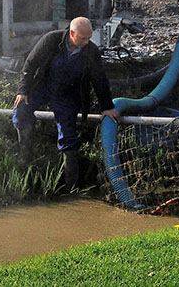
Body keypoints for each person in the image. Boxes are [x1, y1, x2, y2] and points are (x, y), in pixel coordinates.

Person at [12, 16, 120, 190]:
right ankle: (25, 158)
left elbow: (99, 79)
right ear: (71, 33)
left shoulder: (91, 51)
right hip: (44, 85)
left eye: (89, 38)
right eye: (83, 38)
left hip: (68, 94)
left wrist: (107, 106)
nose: (87, 42)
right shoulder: (51, 40)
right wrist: (23, 91)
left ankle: (70, 184)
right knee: (21, 109)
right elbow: (30, 64)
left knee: (68, 134)